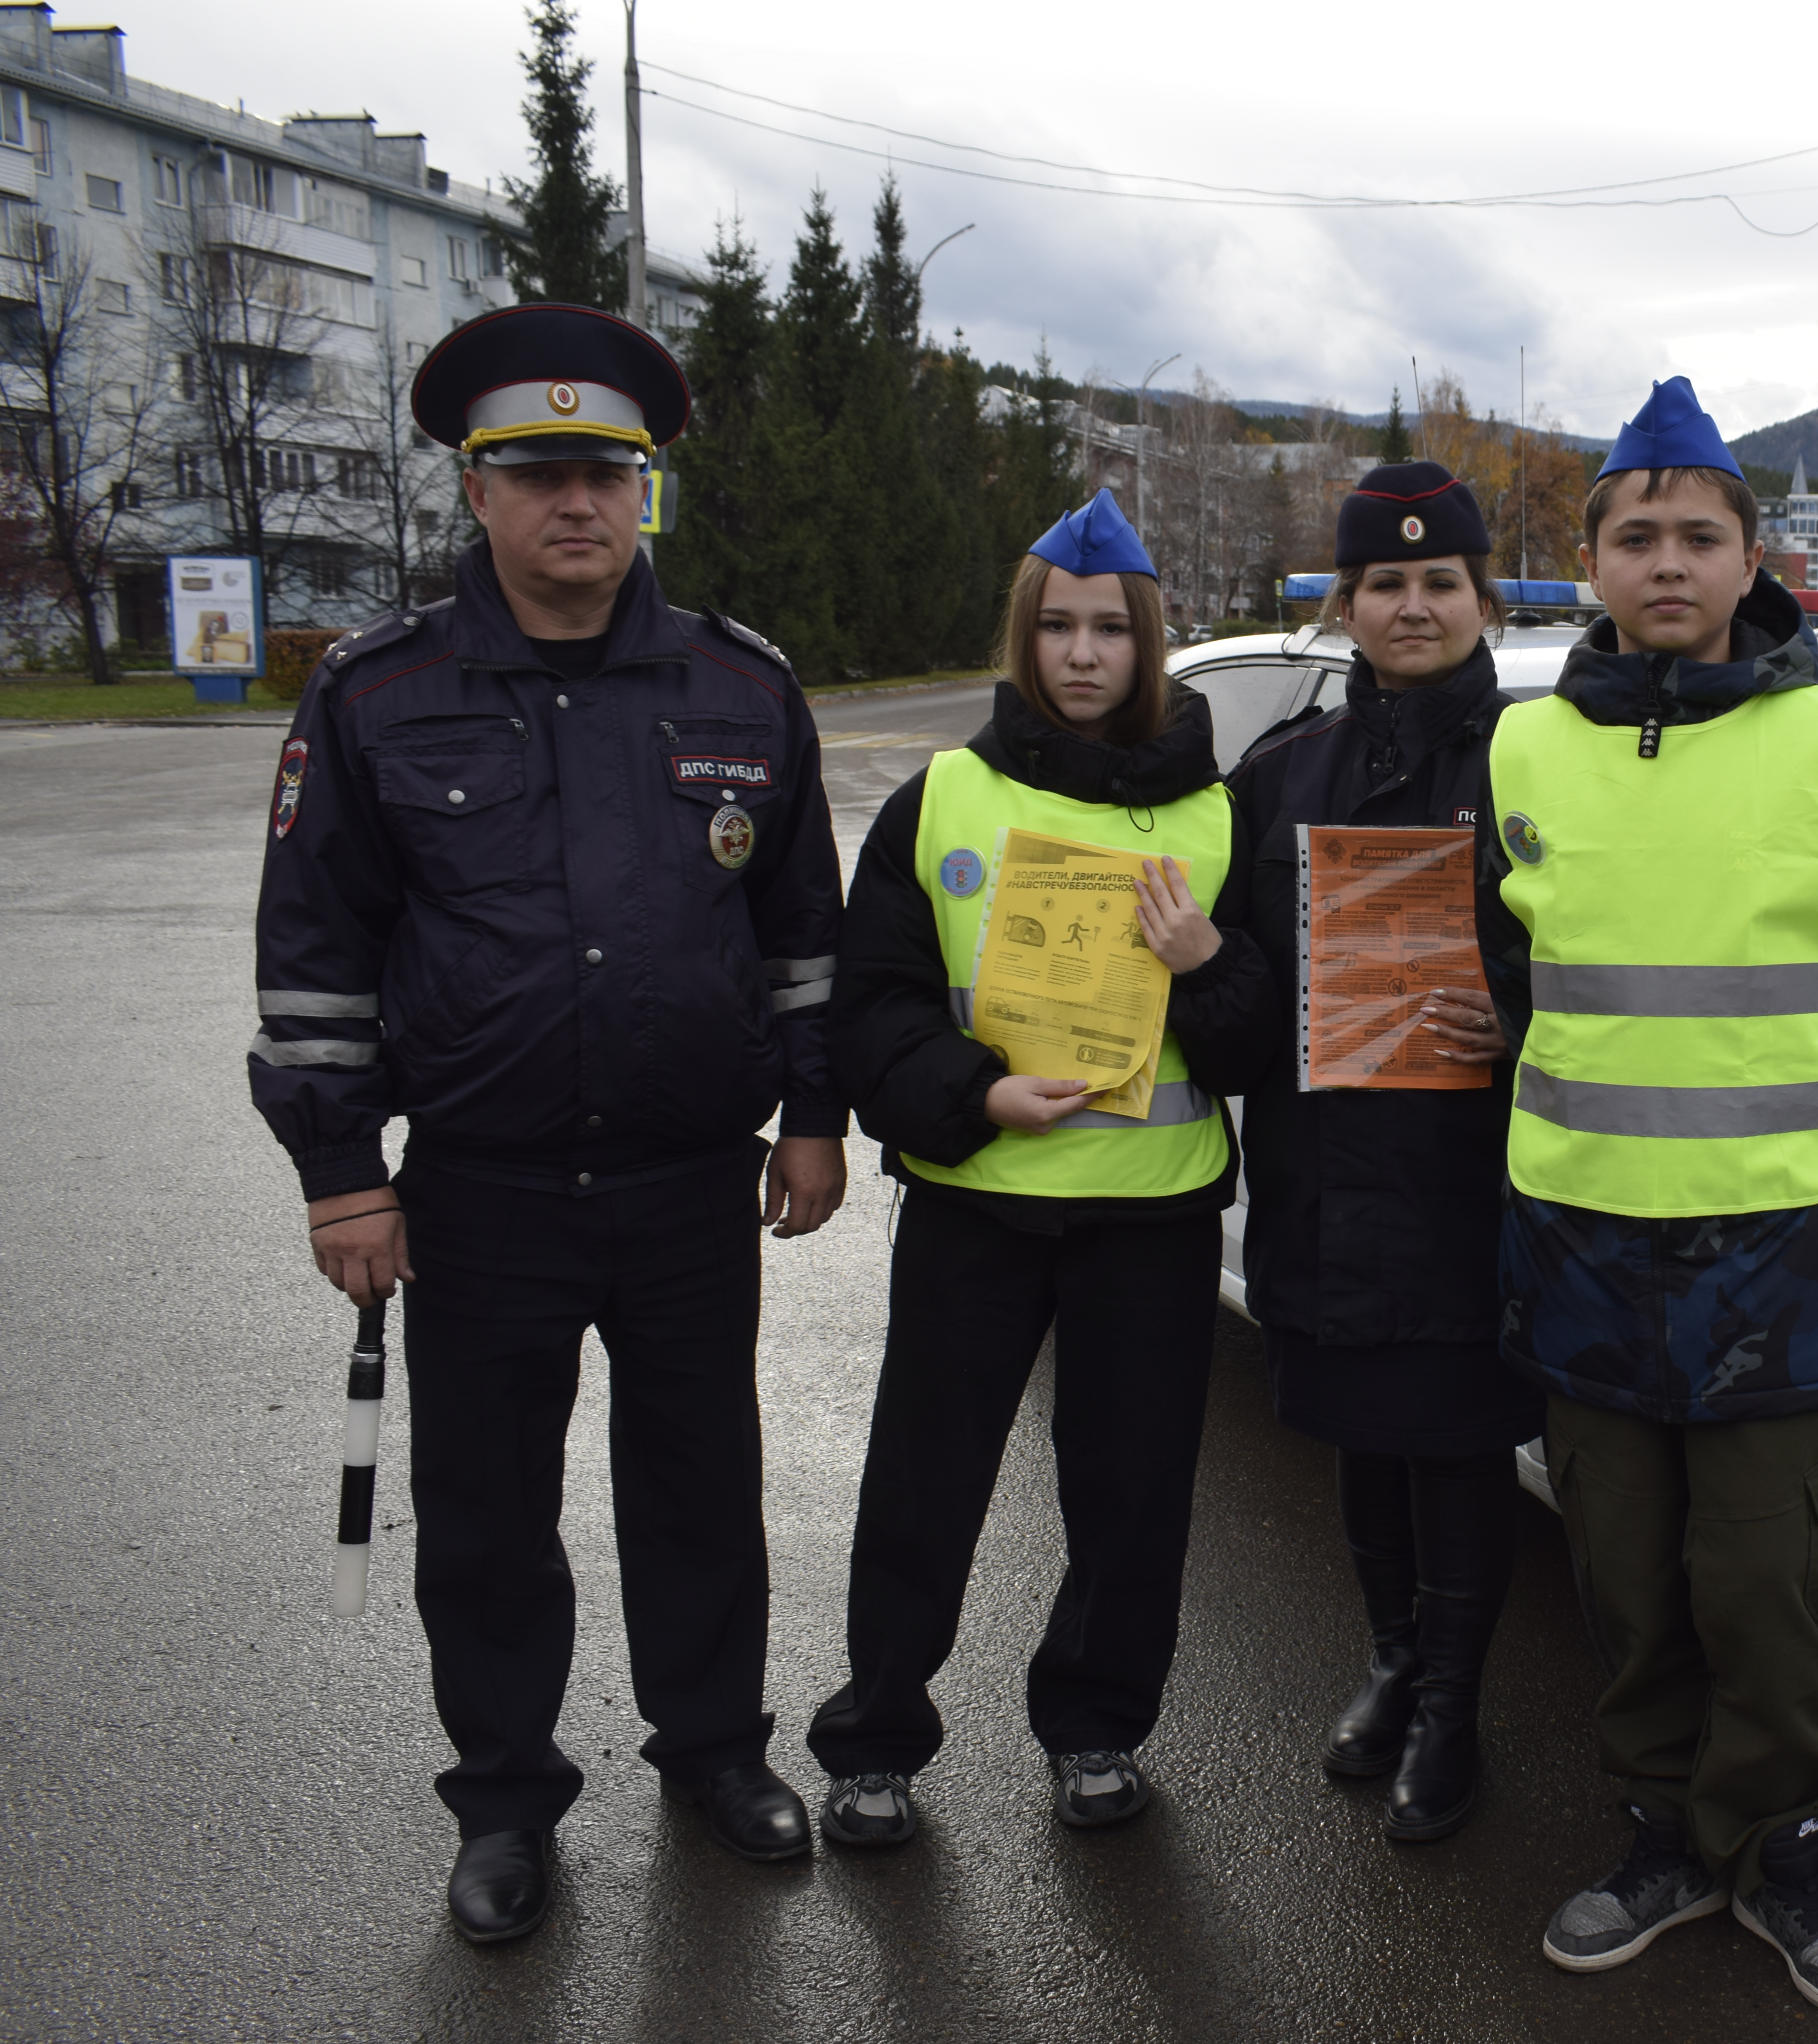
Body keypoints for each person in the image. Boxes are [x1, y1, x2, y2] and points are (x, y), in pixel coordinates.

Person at [249, 303, 848, 1944]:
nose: (576, 504)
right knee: (494, 1515)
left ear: (644, 489)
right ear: (474, 491)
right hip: (483, 1193)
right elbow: (315, 954)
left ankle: (717, 1752)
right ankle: (505, 1803)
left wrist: (813, 1118)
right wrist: (339, 1179)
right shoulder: (380, 694)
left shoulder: (739, 684)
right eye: (537, 474)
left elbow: (802, 929)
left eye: (607, 474)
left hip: (680, 1187)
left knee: (699, 1488)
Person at [1482, 379, 1818, 2020]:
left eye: (1699, 537)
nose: (1667, 563)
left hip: (1786, 1250)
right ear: (1591, 560)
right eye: (1636, 536)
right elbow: (1513, 977)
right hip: (1589, 1242)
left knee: (1776, 1581)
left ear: (1756, 559)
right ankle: (1664, 1836)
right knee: (1629, 1570)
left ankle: (1787, 1851)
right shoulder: (1522, 745)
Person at [807, 489, 1267, 1846]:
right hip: (977, 1206)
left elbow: (1262, 1040)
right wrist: (972, 1094)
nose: (1081, 654)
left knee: (1131, 1499)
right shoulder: (943, 796)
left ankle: (1099, 1731)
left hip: (1153, 1221)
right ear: (1025, 638)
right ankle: (877, 1739)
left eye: (1108, 630)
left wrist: (1211, 964)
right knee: (923, 1482)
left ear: (1147, 644)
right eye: (1057, 627)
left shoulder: (1220, 822)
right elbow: (873, 1004)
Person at [1212, 462, 1539, 1841]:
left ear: (1483, 598)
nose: (1414, 605)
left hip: (1473, 1180)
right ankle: (1394, 1664)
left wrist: (1516, 1014)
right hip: (1330, 1177)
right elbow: (1230, 989)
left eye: (1440, 581)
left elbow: (1612, 962)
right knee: (1362, 1431)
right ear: (1347, 604)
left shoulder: (1542, 759)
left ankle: (1454, 1708)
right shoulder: (1282, 774)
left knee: (1459, 1447)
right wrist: (1210, 972)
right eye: (1386, 583)